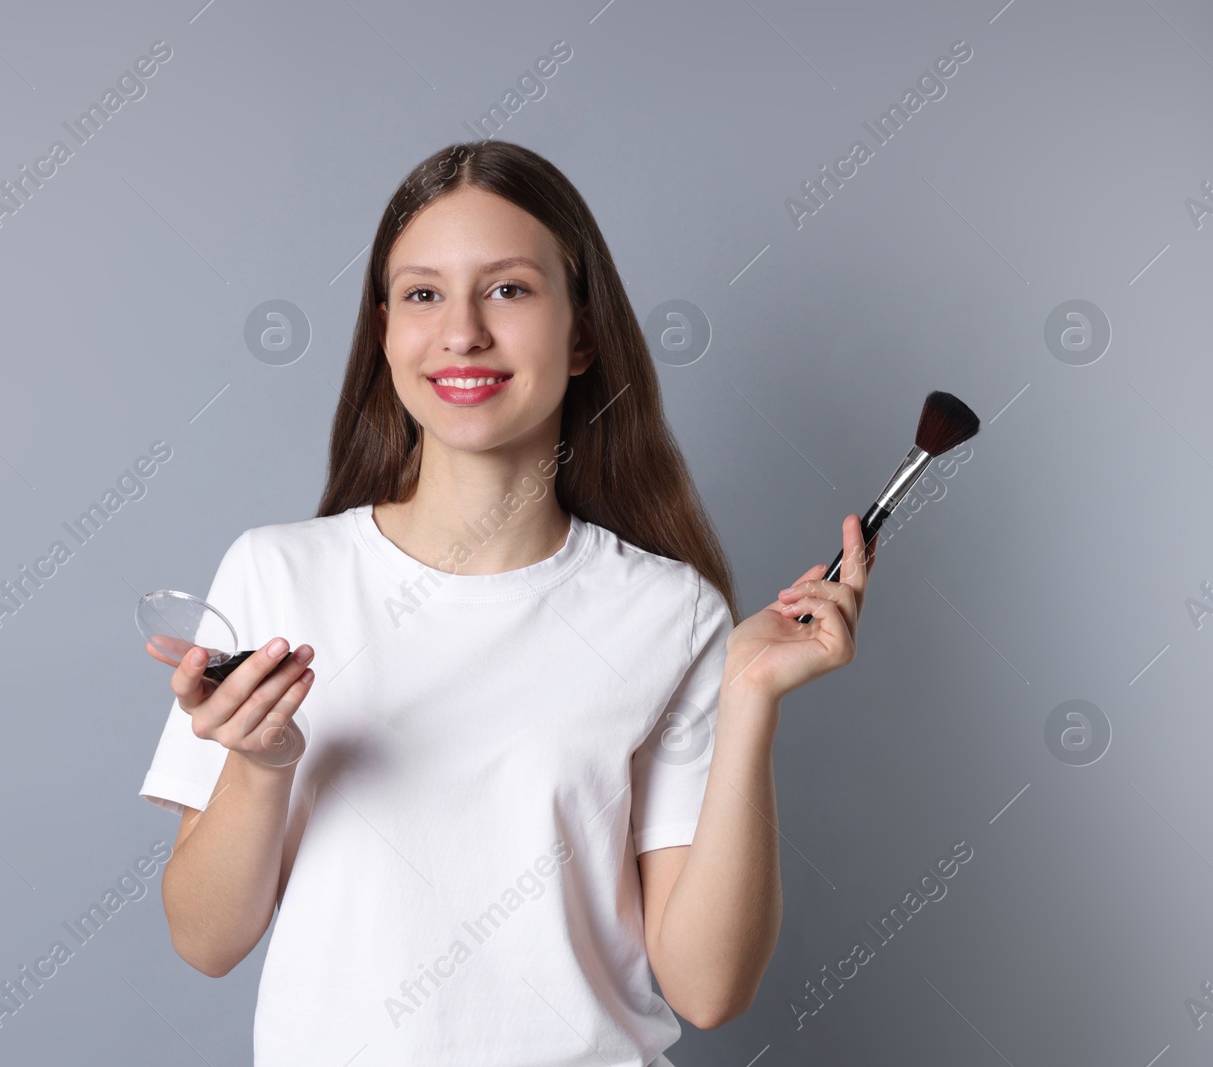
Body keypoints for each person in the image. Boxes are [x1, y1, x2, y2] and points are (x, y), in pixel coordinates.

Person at [138, 140, 875, 1066]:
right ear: (383, 333)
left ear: (582, 335)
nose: (461, 333)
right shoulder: (276, 575)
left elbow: (708, 988)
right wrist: (262, 764)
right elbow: (206, 941)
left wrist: (751, 697)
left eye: (509, 290)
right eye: (422, 294)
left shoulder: (671, 612)